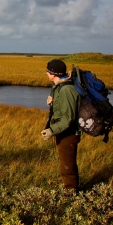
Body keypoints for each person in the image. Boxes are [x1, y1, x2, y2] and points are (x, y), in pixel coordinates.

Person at [41, 59, 81, 192]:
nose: (46, 73)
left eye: (48, 71)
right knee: (66, 163)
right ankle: (69, 188)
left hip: (68, 133)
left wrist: (51, 131)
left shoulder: (66, 90)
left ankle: (71, 193)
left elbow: (68, 118)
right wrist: (52, 103)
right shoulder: (58, 86)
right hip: (63, 131)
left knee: (67, 166)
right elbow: (62, 109)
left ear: (54, 73)